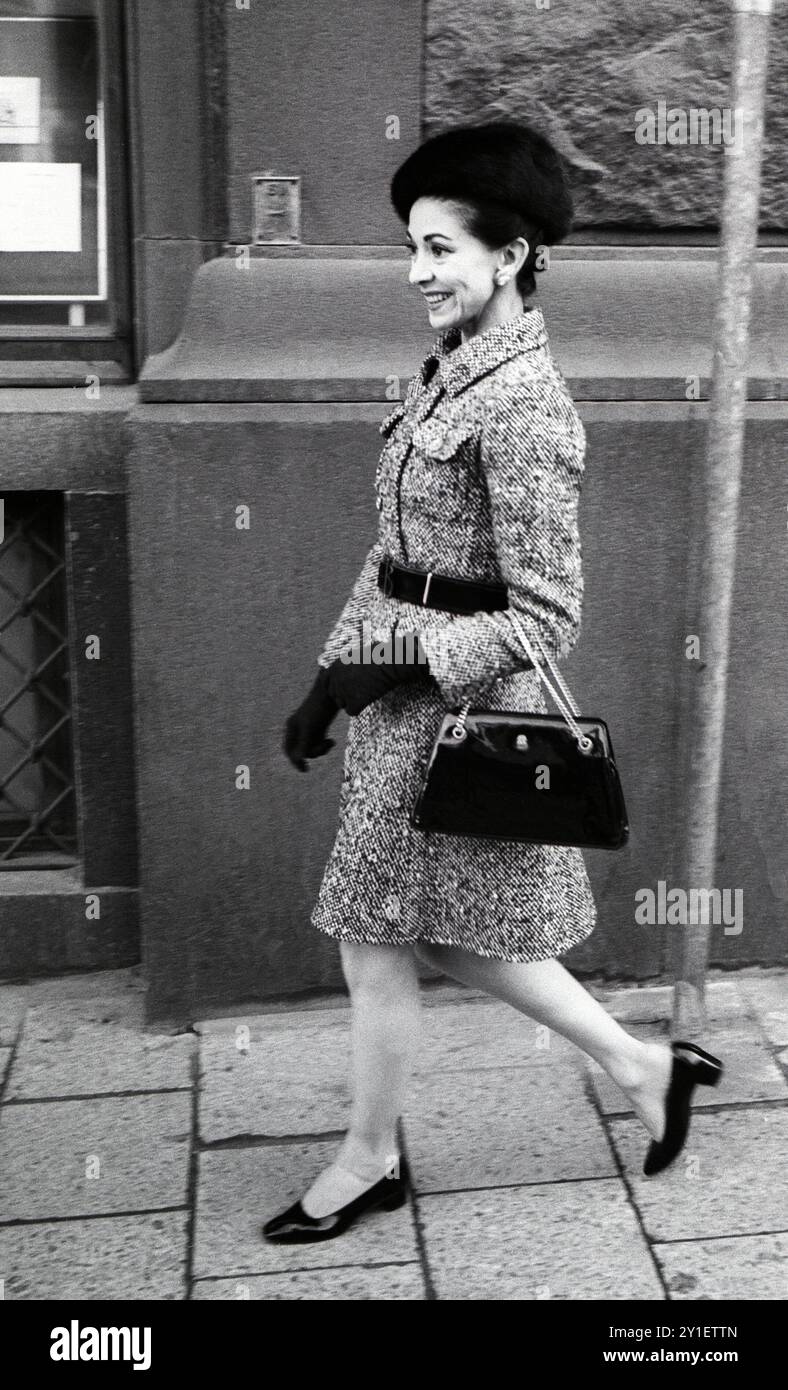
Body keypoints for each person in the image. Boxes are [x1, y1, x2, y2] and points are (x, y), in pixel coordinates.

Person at [264, 121, 723, 1245]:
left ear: (507, 256)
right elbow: (397, 559)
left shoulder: (523, 405)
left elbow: (546, 611)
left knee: (379, 936)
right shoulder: (448, 374)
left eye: (439, 249)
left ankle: (370, 1159)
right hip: (395, 710)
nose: (416, 272)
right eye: (410, 248)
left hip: (453, 716)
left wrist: (392, 662)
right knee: (453, 934)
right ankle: (642, 1066)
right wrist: (332, 676)